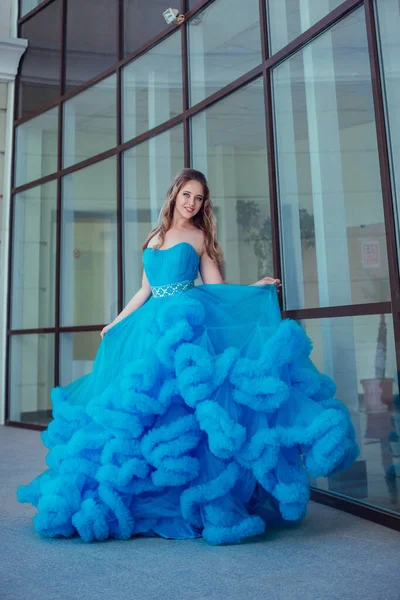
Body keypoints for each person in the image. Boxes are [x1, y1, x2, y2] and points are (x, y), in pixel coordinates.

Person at [17, 168, 359, 545]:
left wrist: (255, 287)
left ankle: (189, 497)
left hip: (185, 329)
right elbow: (145, 289)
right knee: (142, 412)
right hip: (148, 329)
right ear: (175, 193)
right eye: (187, 195)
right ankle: (139, 493)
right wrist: (115, 323)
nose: (192, 203)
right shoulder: (154, 236)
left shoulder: (199, 238)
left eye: (198, 198)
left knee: (183, 412)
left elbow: (217, 291)